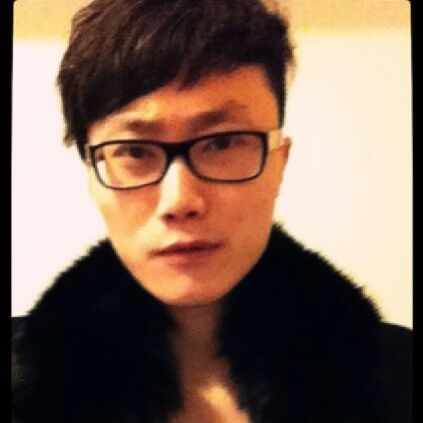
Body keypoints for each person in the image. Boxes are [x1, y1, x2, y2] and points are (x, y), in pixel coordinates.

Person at [12, 1, 412, 422]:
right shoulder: (21, 377)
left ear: (279, 164)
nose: (180, 201)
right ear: (92, 175)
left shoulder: (398, 376)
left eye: (222, 143)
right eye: (134, 151)